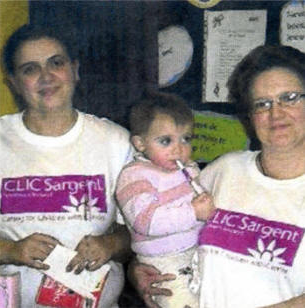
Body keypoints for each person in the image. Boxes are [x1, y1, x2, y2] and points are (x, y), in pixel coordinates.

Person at [128, 45, 305, 308]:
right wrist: (138, 271)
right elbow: (161, 232)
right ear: (249, 116)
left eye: (289, 97)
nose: (276, 113)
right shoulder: (224, 170)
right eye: (262, 103)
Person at [0, 24, 134, 308]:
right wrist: (12, 250)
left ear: (74, 70)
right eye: (30, 69)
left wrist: (109, 245)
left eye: (56, 63)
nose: (46, 77)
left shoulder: (116, 142)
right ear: (13, 81)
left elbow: (136, 230)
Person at [116, 92, 215, 308]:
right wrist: (193, 213)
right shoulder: (135, 175)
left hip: (196, 252)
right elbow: (145, 221)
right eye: (165, 141)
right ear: (140, 143)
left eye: (186, 139)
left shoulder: (190, 169)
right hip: (163, 263)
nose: (178, 149)